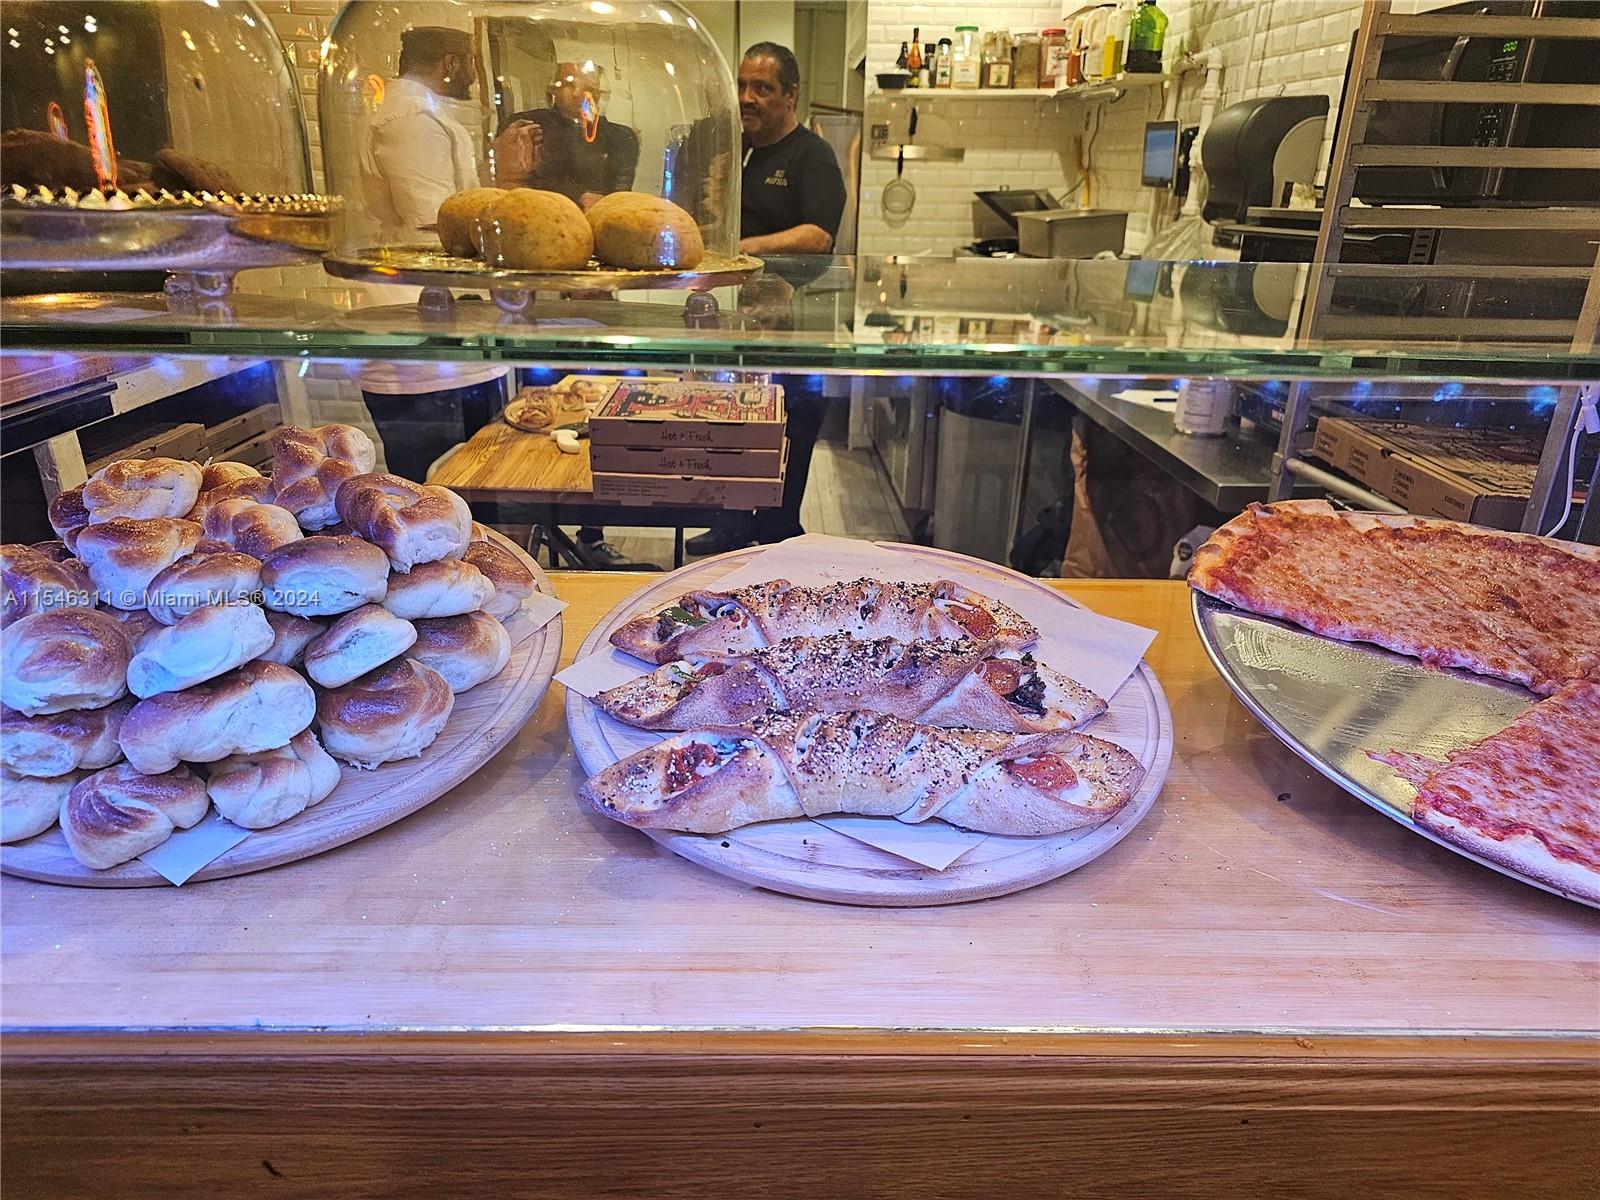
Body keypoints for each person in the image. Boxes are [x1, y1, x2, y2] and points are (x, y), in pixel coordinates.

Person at [686, 43, 845, 557]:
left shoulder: (811, 154)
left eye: (762, 88)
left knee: (789, 432)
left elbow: (818, 236)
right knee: (732, 427)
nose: (747, 97)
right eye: (742, 85)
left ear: (790, 95)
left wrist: (742, 249)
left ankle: (779, 534)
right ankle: (731, 529)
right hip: (737, 326)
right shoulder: (736, 151)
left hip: (793, 329)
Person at [354, 26, 519, 484]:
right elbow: (433, 226)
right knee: (440, 496)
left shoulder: (415, 111)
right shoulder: (411, 119)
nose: (475, 76)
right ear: (451, 63)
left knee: (470, 493)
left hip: (443, 341)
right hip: (426, 353)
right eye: (472, 63)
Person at [496, 61, 640, 207]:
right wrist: (576, 198)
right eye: (568, 85)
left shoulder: (620, 137)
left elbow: (619, 199)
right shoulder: (527, 125)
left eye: (587, 88)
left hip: (598, 216)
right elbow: (511, 184)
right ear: (553, 89)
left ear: (598, 93)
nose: (577, 93)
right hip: (535, 213)